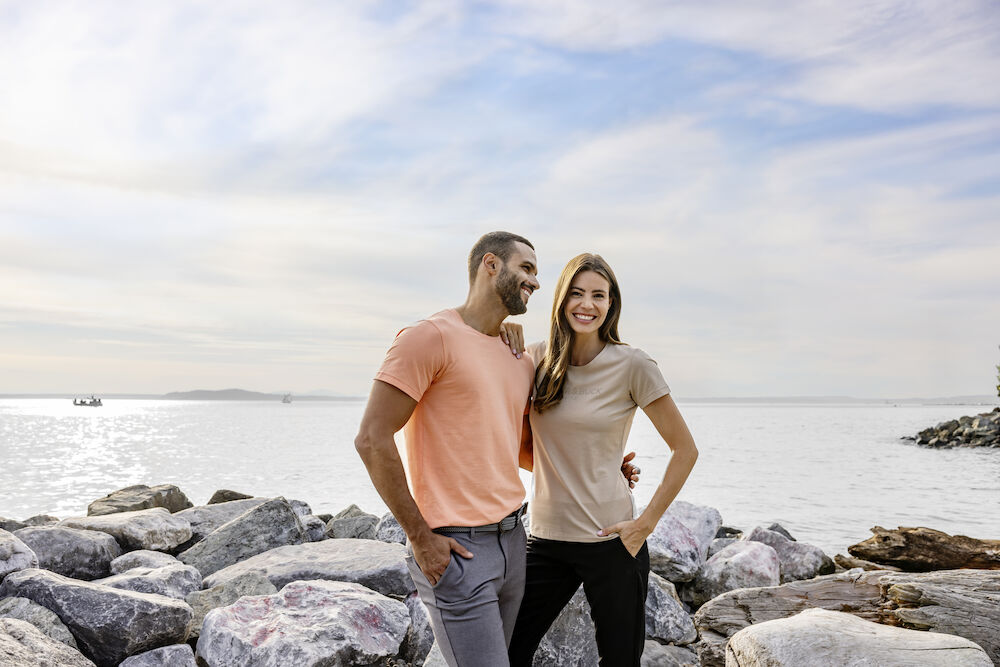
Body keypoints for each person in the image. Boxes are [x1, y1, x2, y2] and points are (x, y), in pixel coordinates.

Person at [355, 231, 540, 667]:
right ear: (490, 265)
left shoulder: (519, 357)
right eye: (526, 269)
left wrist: (605, 470)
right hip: (457, 550)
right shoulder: (428, 338)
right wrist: (421, 537)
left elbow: (519, 450)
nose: (535, 282)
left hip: (515, 541)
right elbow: (371, 438)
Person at [504, 253, 699, 667]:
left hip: (612, 541)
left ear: (611, 304)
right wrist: (501, 329)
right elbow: (522, 446)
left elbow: (685, 450)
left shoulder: (633, 364)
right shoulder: (534, 359)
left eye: (598, 295)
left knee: (620, 661)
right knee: (506, 652)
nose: (586, 304)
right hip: (545, 540)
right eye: (576, 294)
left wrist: (643, 526)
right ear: (561, 300)